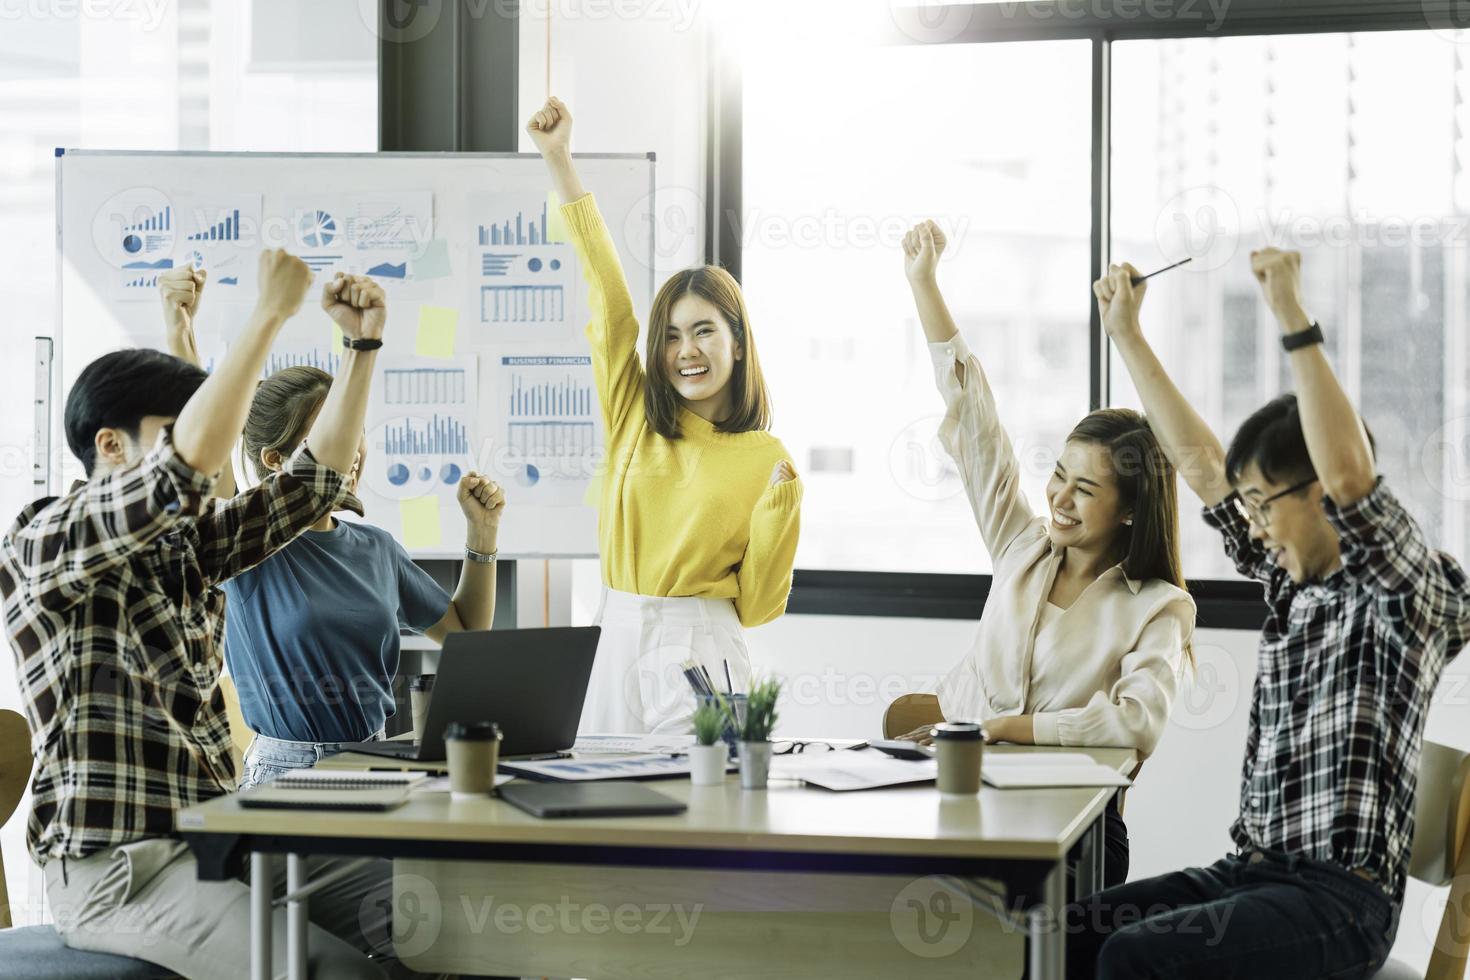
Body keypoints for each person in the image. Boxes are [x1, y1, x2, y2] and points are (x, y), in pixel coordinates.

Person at [3, 249, 421, 978]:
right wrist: (269, 314)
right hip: (116, 872)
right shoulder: (44, 539)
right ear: (110, 445)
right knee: (329, 971)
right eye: (178, 428)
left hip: (218, 841)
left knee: (436, 910)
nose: (211, 455)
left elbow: (309, 485)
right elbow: (181, 475)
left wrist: (362, 347)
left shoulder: (185, 549)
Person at [1065, 249, 1470, 979]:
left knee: (1134, 957)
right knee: (1069, 932)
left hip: (1341, 902)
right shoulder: (1294, 587)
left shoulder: (1403, 593)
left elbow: (1352, 477)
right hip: (1252, 874)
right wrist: (1125, 332)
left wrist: (1290, 312)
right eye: (1247, 507)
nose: (1250, 526)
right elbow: (1201, 467)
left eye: (1263, 505)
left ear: (1320, 497)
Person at [898, 220, 1195, 888]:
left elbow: (1135, 721)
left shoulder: (1160, 608)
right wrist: (925, 282)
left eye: (1084, 488)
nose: (1058, 497)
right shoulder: (1021, 545)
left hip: (1074, 835)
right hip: (966, 804)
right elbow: (975, 420)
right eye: (1058, 474)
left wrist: (1013, 727)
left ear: (1128, 509)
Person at [527, 96, 802, 734]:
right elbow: (609, 297)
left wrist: (779, 515)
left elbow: (757, 607)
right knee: (600, 808)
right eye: (672, 336)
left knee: (704, 816)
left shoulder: (768, 461)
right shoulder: (634, 413)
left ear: (738, 340)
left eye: (704, 331)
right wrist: (561, 163)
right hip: (616, 632)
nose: (686, 352)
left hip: (706, 647)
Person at [215, 273, 506, 786]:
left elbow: (468, 640)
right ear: (277, 460)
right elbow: (206, 452)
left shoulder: (375, 548)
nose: (351, 450)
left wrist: (481, 536)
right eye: (327, 437)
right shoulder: (245, 545)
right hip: (287, 775)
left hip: (376, 763)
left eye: (356, 429)